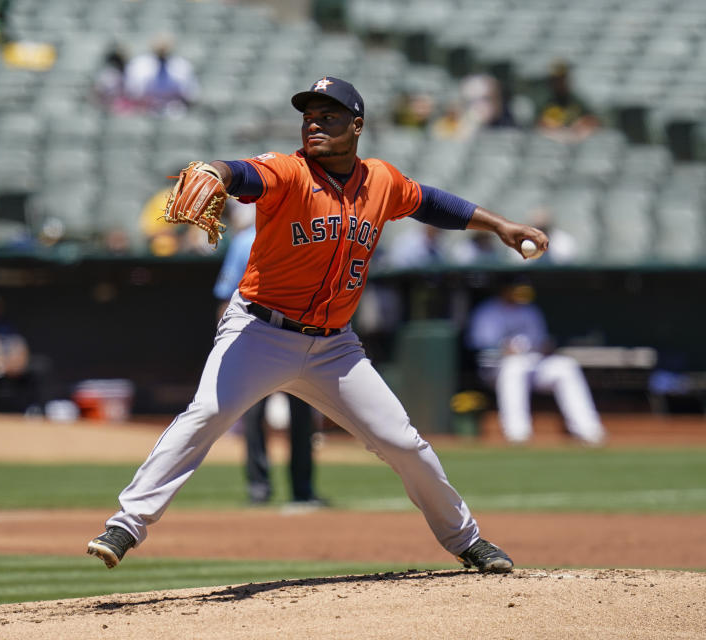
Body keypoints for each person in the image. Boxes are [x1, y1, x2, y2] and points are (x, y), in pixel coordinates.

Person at [87, 76, 550, 573]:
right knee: (205, 416)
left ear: (357, 125)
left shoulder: (382, 181)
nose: (314, 123)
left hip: (335, 349)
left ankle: (468, 542)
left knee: (403, 442)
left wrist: (500, 224)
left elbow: (433, 203)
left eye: (328, 115)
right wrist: (217, 171)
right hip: (259, 332)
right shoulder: (288, 172)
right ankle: (126, 524)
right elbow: (243, 173)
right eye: (308, 115)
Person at [213, 201, 324, 507]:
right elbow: (225, 294)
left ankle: (293, 488)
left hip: (294, 335)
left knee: (296, 415)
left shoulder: (301, 236)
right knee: (258, 415)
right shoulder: (246, 241)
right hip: (256, 335)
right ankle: (268, 487)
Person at [466, 280, 606, 446]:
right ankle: (517, 433)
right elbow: (479, 345)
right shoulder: (488, 312)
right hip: (495, 368)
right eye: (516, 290)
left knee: (566, 366)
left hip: (530, 364)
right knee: (515, 366)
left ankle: (588, 431)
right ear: (504, 290)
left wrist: (544, 348)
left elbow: (540, 342)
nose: (520, 295)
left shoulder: (530, 310)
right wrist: (503, 349)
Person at [123, 33, 198, 115]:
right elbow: (132, 93)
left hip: (174, 111)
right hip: (146, 110)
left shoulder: (182, 66)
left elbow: (190, 94)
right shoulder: (139, 64)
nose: (162, 49)